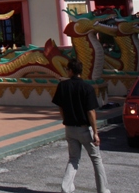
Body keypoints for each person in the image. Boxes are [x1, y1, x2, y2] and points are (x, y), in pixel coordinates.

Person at [52, 58, 110, 193]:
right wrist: (95, 132)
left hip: (70, 128)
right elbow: (91, 111)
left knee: (73, 159)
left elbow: (60, 106)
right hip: (85, 129)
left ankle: (66, 188)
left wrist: (65, 119)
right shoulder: (87, 88)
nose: (67, 71)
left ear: (71, 71)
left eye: (67, 69)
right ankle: (102, 189)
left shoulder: (62, 86)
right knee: (96, 159)